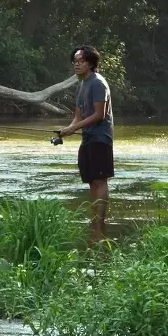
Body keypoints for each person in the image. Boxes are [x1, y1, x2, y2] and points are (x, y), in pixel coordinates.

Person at [59, 45, 114, 238]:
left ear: (91, 63)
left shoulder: (98, 83)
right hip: (88, 138)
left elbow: (100, 114)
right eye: (75, 61)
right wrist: (67, 129)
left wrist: (75, 127)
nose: (77, 65)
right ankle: (95, 222)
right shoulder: (81, 85)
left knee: (100, 180)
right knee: (91, 181)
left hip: (101, 138)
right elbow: (78, 115)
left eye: (81, 61)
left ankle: (99, 222)